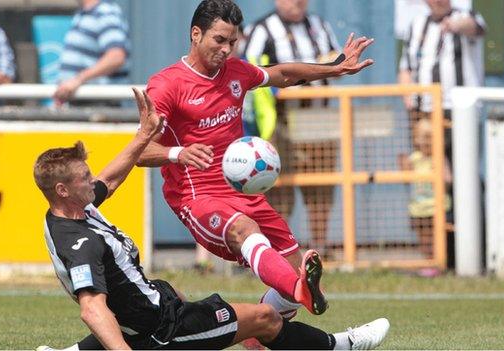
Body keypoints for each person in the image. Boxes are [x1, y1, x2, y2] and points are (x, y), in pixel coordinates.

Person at [34, 88, 390, 350]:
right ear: (63, 190)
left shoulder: (75, 209)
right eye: (84, 177)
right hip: (162, 326)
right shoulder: (78, 242)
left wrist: (143, 136)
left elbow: (110, 179)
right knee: (264, 319)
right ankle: (340, 345)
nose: (92, 179)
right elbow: (93, 309)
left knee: (171, 290)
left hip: (152, 305)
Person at [136, 0, 373, 320]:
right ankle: (299, 288)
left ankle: (260, 333)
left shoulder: (236, 71)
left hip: (244, 194)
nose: (226, 49)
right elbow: (139, 150)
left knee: (293, 267)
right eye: (219, 40)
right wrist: (178, 153)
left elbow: (283, 74)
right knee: (250, 235)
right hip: (197, 197)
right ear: (196, 34)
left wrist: (336, 67)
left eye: (232, 42)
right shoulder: (167, 85)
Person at [243, 0, 343, 258]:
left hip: (318, 118)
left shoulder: (319, 26)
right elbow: (250, 72)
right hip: (282, 121)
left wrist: (330, 63)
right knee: (278, 189)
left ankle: (319, 248)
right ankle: (279, 251)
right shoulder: (262, 29)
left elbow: (338, 62)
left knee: (321, 187)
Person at [398, 0, 486, 161]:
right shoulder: (417, 24)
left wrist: (456, 25)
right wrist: (407, 96)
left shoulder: (465, 15)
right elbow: (406, 67)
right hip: (425, 111)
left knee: (463, 168)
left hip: (459, 110)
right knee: (427, 167)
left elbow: (476, 27)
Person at [53, 0, 130, 106]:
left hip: (99, 104)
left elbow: (116, 57)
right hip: (80, 103)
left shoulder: (105, 12)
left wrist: (78, 79)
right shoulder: (82, 14)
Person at [398, 119, 452, 258]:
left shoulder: (439, 158)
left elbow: (448, 180)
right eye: (424, 137)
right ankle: (428, 262)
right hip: (418, 208)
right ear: (416, 139)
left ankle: (439, 260)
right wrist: (404, 167)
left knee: (438, 238)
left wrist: (440, 175)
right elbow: (406, 180)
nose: (427, 142)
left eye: (431, 137)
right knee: (424, 239)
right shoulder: (414, 158)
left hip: (436, 208)